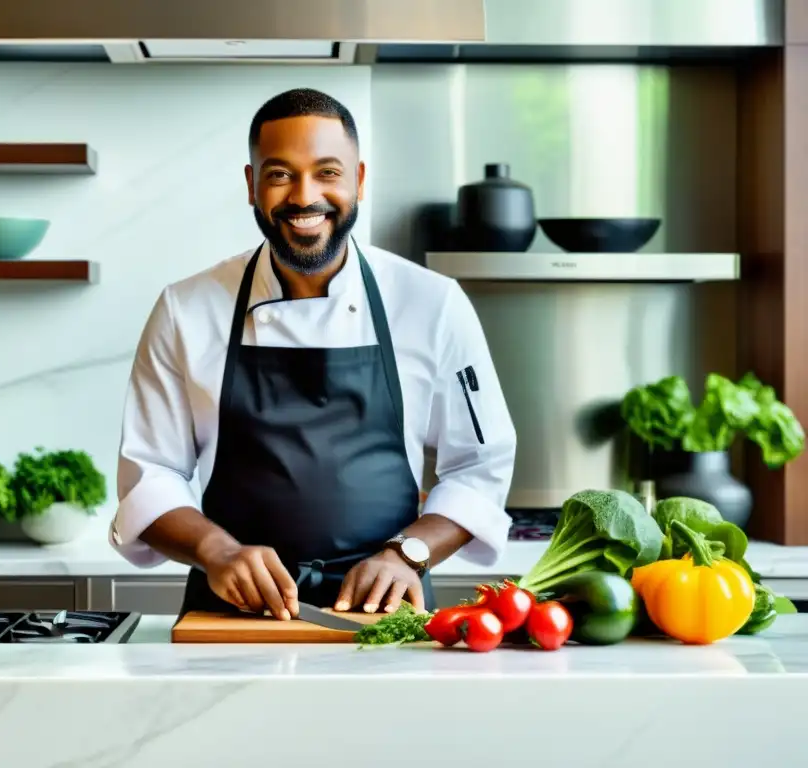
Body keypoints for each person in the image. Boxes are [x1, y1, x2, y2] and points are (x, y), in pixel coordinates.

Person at [109, 88, 516, 621]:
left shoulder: (432, 303)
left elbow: (480, 467)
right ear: (252, 185)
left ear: (359, 180)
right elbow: (150, 473)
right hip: (234, 613)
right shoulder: (186, 309)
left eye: (327, 172)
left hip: (387, 612)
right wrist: (218, 551)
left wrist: (407, 554)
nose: (305, 197)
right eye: (280, 174)